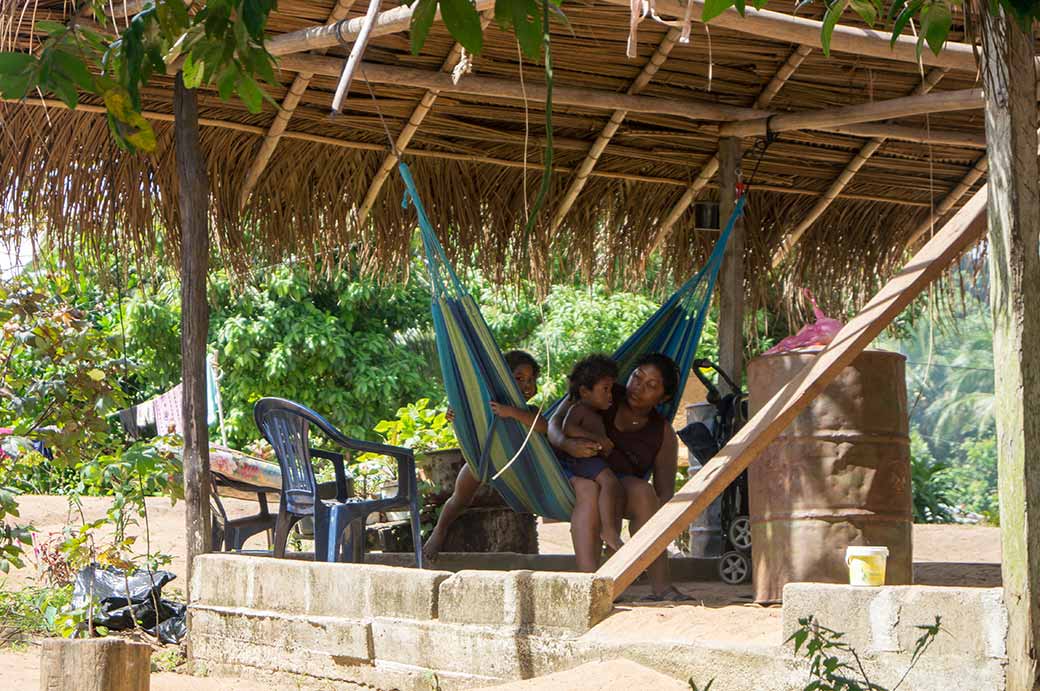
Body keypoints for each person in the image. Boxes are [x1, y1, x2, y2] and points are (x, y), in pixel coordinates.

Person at [423, 350, 603, 570]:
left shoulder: (529, 412)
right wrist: (453, 415)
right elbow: (466, 423)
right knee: (459, 498)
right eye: (519, 379)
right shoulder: (485, 406)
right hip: (485, 461)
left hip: (523, 469)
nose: (527, 385)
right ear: (502, 379)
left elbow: (542, 426)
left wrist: (511, 412)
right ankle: (439, 531)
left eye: (531, 380)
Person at [550, 352, 690, 601]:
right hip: (573, 474)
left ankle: (661, 587)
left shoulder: (662, 432)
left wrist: (671, 524)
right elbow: (556, 422)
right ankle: (591, 586)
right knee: (592, 491)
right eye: (637, 377)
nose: (639, 387)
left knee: (644, 493)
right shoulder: (602, 391)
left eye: (651, 386)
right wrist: (567, 444)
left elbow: (665, 491)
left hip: (617, 485)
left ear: (664, 397)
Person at [555, 355, 625, 552]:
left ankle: (609, 530)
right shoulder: (579, 409)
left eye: (610, 389)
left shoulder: (593, 412)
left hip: (591, 460)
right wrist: (597, 439)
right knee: (610, 483)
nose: (610, 395)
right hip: (581, 460)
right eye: (605, 389)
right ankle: (609, 532)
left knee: (614, 488)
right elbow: (568, 428)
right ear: (585, 391)